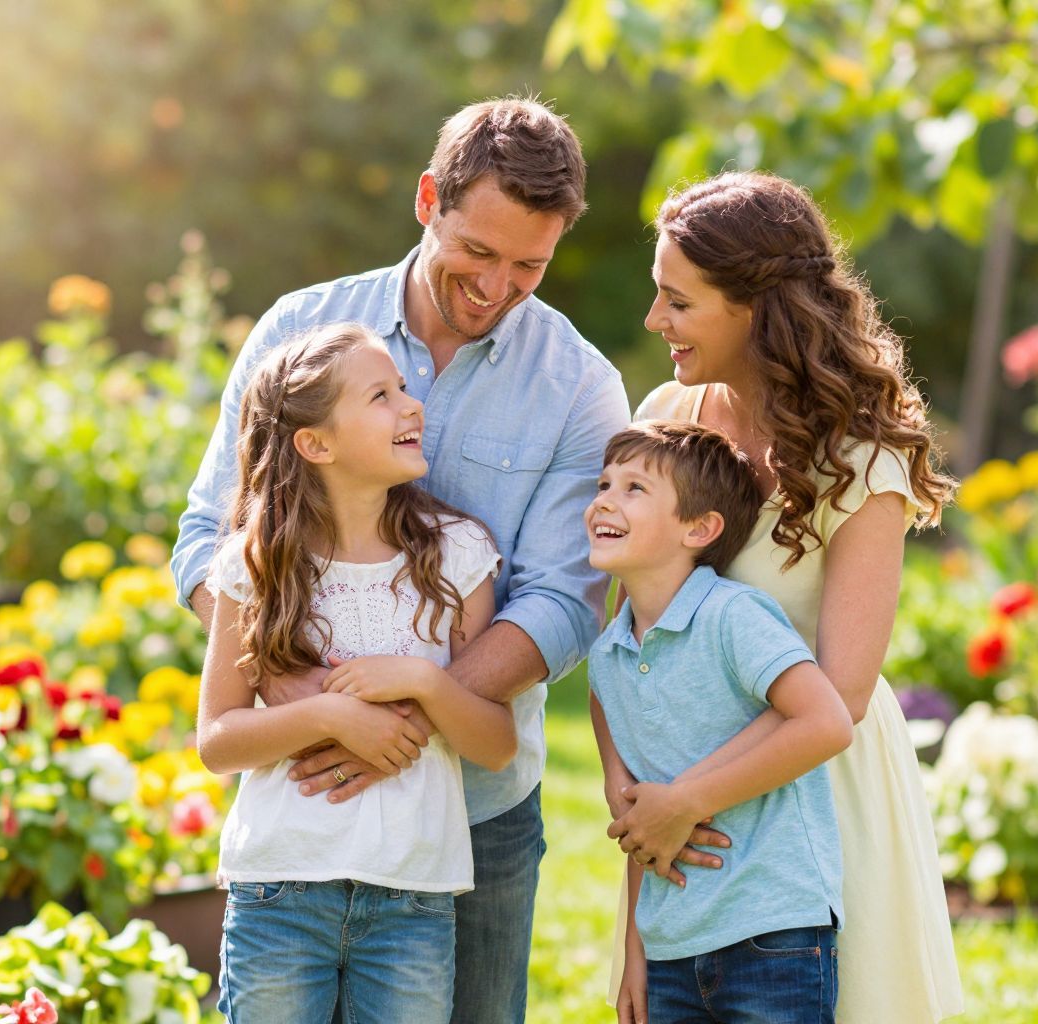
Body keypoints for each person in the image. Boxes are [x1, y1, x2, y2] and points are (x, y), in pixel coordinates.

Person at [173, 96, 631, 1022]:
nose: (498, 286)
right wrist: (317, 709)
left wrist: (416, 718)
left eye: (529, 265)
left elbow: (563, 603)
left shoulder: (581, 386)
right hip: (296, 817)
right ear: (429, 199)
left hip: (476, 816)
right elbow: (208, 540)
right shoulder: (303, 334)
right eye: (478, 252)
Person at [607, 170, 964, 1022]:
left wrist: (687, 800)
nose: (656, 322)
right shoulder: (669, 415)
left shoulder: (859, 456)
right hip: (674, 801)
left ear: (753, 308)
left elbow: (838, 691)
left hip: (814, 791)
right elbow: (626, 635)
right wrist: (638, 804)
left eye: (678, 303)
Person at [197, 324, 515, 1022]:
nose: (412, 406)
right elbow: (218, 739)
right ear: (316, 444)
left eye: (403, 388)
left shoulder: (459, 555)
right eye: (382, 395)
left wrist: (428, 682)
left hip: (412, 900)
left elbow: (496, 743)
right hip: (279, 892)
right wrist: (326, 715)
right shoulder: (254, 565)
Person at [588, 420, 852, 1023]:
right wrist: (636, 953)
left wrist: (686, 799)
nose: (604, 498)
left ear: (699, 528)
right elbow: (641, 819)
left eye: (634, 488)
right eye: (604, 484)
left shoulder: (733, 616)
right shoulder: (608, 658)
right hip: (671, 949)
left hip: (773, 936)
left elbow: (827, 722)